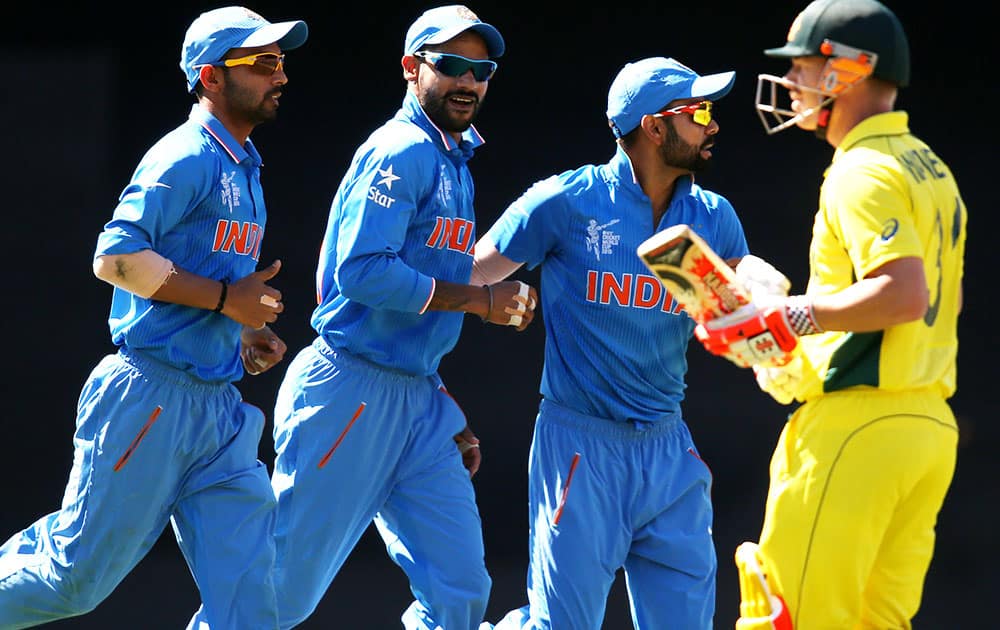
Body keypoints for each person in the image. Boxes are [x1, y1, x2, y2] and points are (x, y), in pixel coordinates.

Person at [0, 7, 307, 629]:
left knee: (253, 599)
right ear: (210, 77)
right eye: (263, 62)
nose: (279, 75)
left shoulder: (244, 165)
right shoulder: (185, 155)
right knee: (72, 582)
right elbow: (115, 259)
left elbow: (205, 275)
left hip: (217, 410)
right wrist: (226, 301)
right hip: (151, 397)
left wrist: (243, 328)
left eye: (281, 61)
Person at [694, 0, 967, 627]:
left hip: (856, 427)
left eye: (805, 66)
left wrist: (787, 318)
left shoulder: (861, 170)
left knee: (788, 618)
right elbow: (934, 301)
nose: (792, 82)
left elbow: (902, 295)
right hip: (928, 428)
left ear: (851, 69)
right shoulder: (931, 167)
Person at [266, 5, 537, 630]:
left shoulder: (452, 159)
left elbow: (415, 293)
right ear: (413, 68)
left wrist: (436, 396)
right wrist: (478, 300)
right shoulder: (403, 150)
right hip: (348, 387)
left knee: (461, 591)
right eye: (452, 66)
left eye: (483, 69)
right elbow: (361, 273)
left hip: (415, 398)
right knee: (276, 593)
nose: (469, 81)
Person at [473, 56, 747, 630]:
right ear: (653, 127)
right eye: (699, 111)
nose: (712, 124)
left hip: (669, 450)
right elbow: (467, 277)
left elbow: (747, 298)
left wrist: (777, 301)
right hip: (579, 448)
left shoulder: (713, 216)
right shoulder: (565, 202)